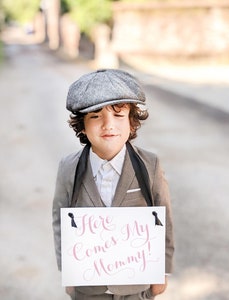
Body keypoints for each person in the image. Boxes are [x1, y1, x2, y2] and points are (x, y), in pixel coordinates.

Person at [52, 69, 174, 300]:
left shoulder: (149, 165)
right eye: (96, 117)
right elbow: (60, 220)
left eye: (118, 116)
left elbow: (164, 217)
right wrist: (67, 273)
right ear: (82, 125)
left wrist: (162, 272)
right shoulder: (68, 167)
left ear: (131, 121)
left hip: (136, 286)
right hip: (88, 287)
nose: (108, 125)